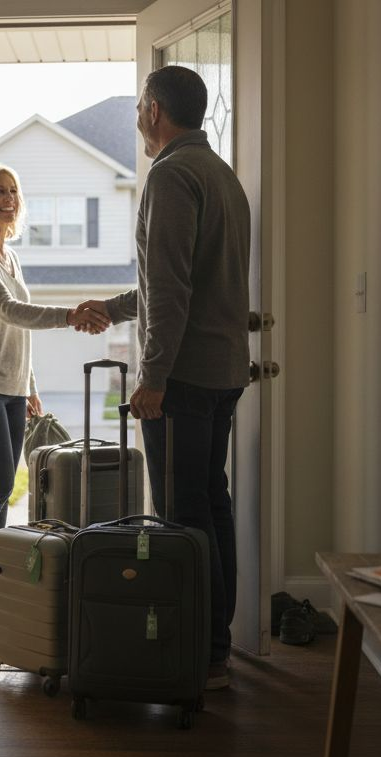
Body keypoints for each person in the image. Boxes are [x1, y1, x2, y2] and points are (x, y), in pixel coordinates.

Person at [81, 66, 251, 689]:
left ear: (154, 110)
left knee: (183, 515)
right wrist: (113, 307)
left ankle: (201, 654)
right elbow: (175, 283)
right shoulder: (221, 175)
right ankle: (217, 641)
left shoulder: (171, 175)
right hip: (222, 371)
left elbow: (172, 289)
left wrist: (152, 378)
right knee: (211, 502)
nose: (136, 119)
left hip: (183, 378)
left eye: (138, 108)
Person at [0, 163, 110, 604]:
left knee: (3, 485)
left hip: (12, 385)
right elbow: (9, 310)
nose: (9, 199)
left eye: (13, 191)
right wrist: (70, 315)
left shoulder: (9, 256)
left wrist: (30, 384)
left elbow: (18, 331)